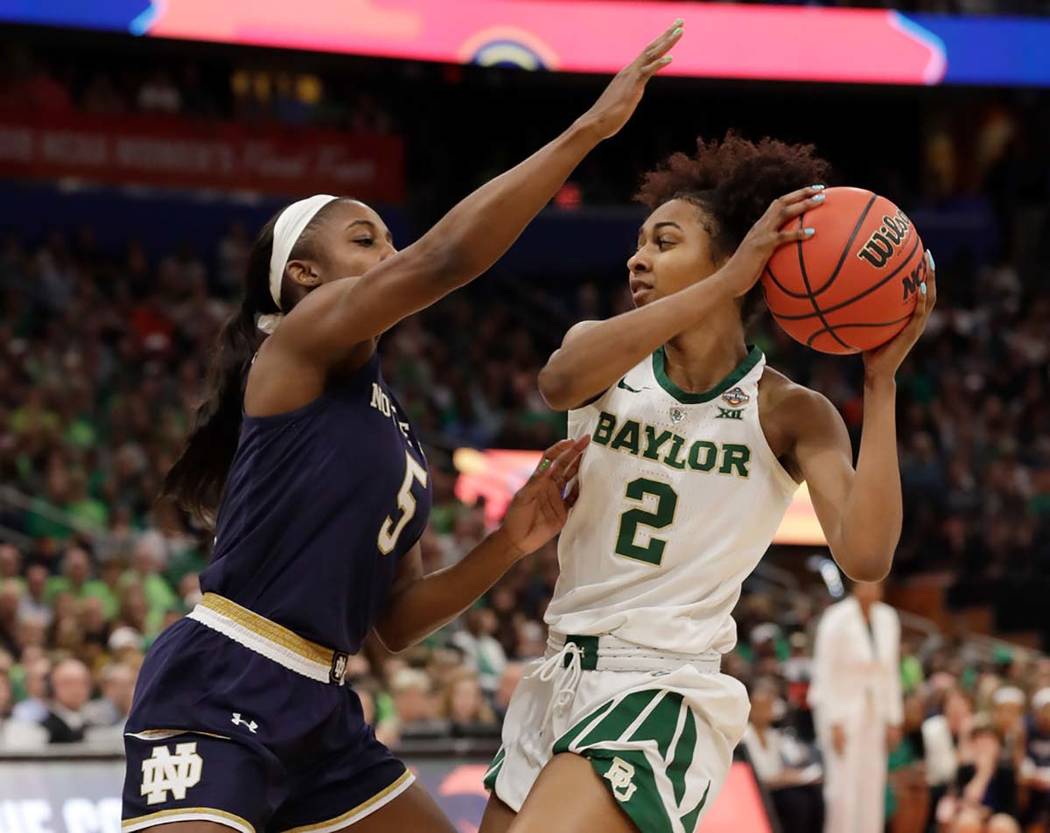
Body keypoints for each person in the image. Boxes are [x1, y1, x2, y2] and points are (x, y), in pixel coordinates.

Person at [119, 23, 684, 833]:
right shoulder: (299, 342)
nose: (389, 251)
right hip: (223, 677)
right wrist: (587, 130)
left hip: (324, 706)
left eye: (389, 236)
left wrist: (510, 541)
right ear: (303, 276)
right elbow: (444, 260)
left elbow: (399, 620)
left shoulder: (394, 429)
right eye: (365, 239)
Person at [480, 133, 936, 833]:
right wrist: (724, 284)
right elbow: (557, 381)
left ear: (737, 260)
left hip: (666, 687)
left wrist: (880, 382)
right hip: (560, 670)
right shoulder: (600, 354)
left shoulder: (791, 412)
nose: (638, 257)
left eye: (664, 242)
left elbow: (867, 554)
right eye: (639, 242)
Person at [809, 581, 904, 833]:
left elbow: (890, 671)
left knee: (872, 784)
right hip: (842, 712)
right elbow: (824, 672)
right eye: (867, 581)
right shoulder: (836, 617)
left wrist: (894, 718)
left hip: (877, 711)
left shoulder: (888, 617)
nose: (872, 587)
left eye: (877, 582)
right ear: (855, 584)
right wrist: (833, 721)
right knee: (842, 789)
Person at [741, 679, 823, 833]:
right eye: (761, 708)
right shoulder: (745, 737)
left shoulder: (773, 736)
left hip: (778, 785)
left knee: (813, 794)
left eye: (768, 708)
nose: (765, 713)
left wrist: (798, 776)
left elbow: (785, 765)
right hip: (759, 790)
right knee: (797, 803)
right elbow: (758, 776)